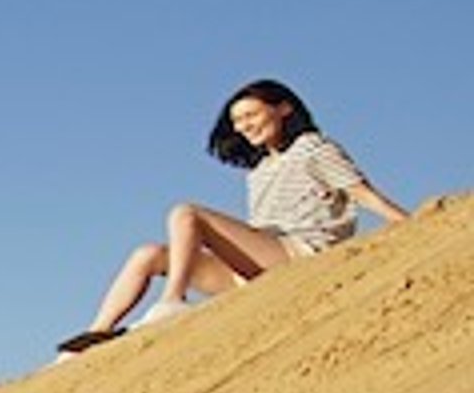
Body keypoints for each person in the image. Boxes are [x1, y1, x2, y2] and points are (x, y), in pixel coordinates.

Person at [60, 79, 408, 354]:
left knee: (186, 214)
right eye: (238, 121)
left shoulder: (313, 148)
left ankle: (172, 301)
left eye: (251, 116)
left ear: (284, 108)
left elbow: (361, 192)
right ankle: (93, 338)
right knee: (147, 254)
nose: (244, 126)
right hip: (259, 263)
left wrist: (410, 223)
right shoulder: (258, 171)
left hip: (299, 254)